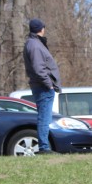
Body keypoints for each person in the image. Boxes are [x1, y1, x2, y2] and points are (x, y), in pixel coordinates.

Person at [22, 18, 61, 154]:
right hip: (43, 87)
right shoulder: (35, 45)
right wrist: (49, 84)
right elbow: (39, 69)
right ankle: (44, 147)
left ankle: (45, 146)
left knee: (45, 117)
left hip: (42, 86)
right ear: (41, 29)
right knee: (44, 117)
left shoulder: (34, 43)